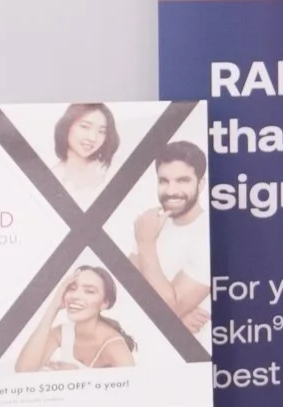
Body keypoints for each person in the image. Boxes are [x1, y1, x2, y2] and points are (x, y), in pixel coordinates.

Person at [133, 142, 210, 336]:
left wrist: (146, 243)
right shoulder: (152, 222)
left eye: (183, 180)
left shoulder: (208, 235)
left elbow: (168, 309)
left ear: (201, 184)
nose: (171, 191)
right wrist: (177, 314)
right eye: (164, 181)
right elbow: (124, 281)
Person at [13, 266, 137, 371]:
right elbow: (23, 370)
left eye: (89, 291)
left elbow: (133, 394)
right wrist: (54, 307)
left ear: (104, 303)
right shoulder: (63, 333)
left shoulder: (114, 346)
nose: (75, 296)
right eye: (72, 288)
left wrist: (76, 376)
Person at [49, 103, 120, 209]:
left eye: (101, 131)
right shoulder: (51, 176)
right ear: (67, 126)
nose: (93, 138)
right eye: (85, 127)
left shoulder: (111, 173)